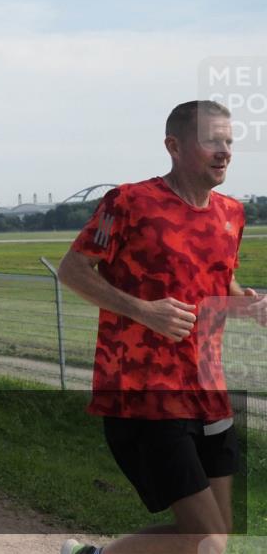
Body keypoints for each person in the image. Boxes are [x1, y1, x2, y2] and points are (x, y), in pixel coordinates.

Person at [57, 101, 267, 554]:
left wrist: (247, 303)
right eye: (212, 140)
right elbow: (72, 270)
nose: (225, 151)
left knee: (217, 540)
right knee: (207, 543)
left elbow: (218, 283)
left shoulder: (232, 214)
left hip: (209, 390)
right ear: (173, 145)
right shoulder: (130, 202)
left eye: (229, 141)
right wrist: (142, 310)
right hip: (144, 392)